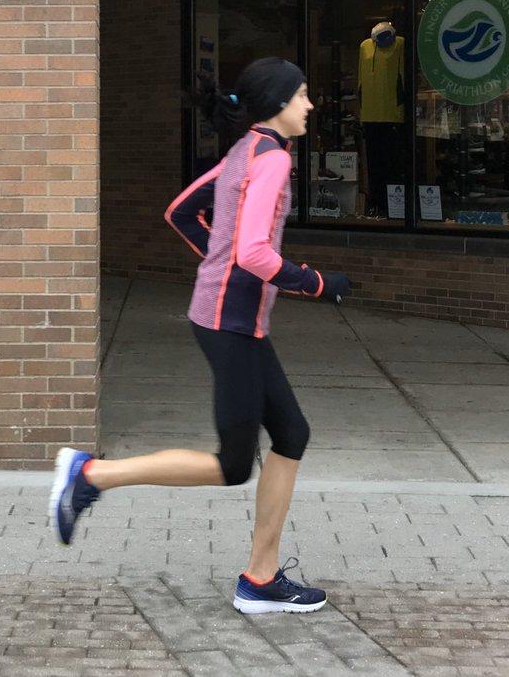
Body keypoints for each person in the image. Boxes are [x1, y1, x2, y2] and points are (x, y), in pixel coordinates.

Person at [49, 57, 352, 615]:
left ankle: (260, 580)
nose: (310, 105)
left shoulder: (247, 150)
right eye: (304, 95)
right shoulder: (273, 161)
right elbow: (255, 253)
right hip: (228, 322)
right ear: (279, 102)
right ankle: (90, 475)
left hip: (230, 318)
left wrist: (220, 262)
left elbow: (182, 213)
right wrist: (318, 283)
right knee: (234, 465)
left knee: (291, 433)